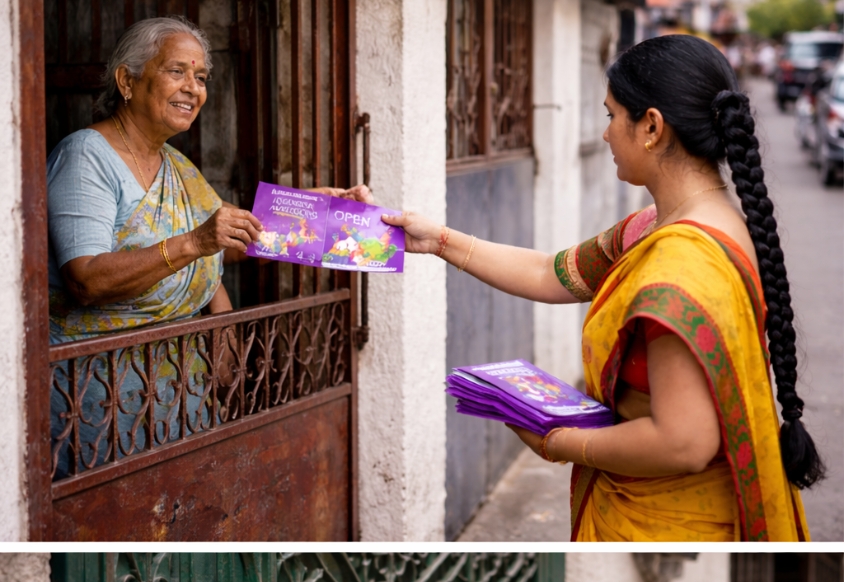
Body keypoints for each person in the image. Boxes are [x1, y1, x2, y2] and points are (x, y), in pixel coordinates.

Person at [385, 35, 823, 542]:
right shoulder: (658, 227)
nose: (606, 132)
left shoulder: (681, 262)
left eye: (613, 115)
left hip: (671, 520)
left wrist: (560, 442)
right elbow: (551, 273)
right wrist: (438, 240)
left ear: (652, 127)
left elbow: (684, 443)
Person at [47, 15, 370, 473]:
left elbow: (232, 239)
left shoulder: (176, 166)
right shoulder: (86, 157)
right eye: (176, 71)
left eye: (200, 78)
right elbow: (85, 279)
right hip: (98, 402)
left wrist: (325, 211)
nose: (193, 88)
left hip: (178, 398)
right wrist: (195, 241)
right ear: (127, 80)